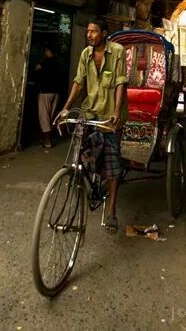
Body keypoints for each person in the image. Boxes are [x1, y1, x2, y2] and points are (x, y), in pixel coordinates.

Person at [56, 17, 128, 234]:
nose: (89, 35)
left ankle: (112, 211)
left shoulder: (117, 51)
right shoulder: (85, 54)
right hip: (90, 109)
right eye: (88, 31)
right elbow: (79, 82)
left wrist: (116, 111)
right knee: (81, 148)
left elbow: (120, 83)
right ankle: (85, 178)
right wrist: (66, 108)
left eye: (94, 31)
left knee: (112, 161)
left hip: (109, 114)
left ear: (104, 33)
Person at [35, 46, 61, 149]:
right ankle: (49, 138)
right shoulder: (57, 62)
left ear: (47, 51)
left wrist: (43, 59)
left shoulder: (46, 61)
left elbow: (36, 68)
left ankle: (47, 141)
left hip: (45, 92)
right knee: (50, 116)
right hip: (55, 92)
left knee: (44, 117)